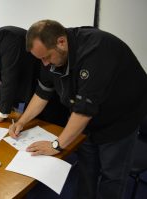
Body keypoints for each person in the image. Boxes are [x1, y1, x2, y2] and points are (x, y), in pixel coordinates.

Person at [8, 19, 147, 198]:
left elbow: (84, 111)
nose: (45, 64)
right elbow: (42, 93)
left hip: (119, 119)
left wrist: (56, 145)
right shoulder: (51, 56)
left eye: (47, 57)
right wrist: (21, 121)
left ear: (61, 42)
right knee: (86, 169)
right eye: (40, 59)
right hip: (85, 119)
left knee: (111, 176)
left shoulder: (96, 51)